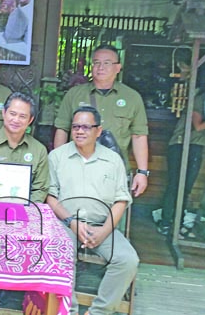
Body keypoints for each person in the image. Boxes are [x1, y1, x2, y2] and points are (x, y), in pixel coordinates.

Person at [47, 106, 138, 315]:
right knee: (60, 252)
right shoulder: (57, 156)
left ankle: (99, 312)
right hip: (66, 224)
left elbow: (121, 201)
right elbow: (50, 197)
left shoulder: (113, 160)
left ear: (98, 131)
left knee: (127, 259)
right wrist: (71, 221)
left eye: (87, 127)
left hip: (102, 227)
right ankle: (69, 310)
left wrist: (105, 231)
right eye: (76, 126)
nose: (80, 131)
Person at [0, 92, 49, 315]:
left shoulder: (38, 150)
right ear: (3, 113)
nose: (16, 119)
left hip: (25, 214)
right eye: (12, 113)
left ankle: (12, 290)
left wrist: (23, 213)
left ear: (30, 120)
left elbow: (41, 188)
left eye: (22, 116)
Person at [54, 44, 150, 197]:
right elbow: (62, 129)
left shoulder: (132, 97)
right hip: (77, 169)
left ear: (118, 67)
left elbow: (139, 135)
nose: (101, 67)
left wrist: (142, 172)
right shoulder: (75, 94)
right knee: (76, 216)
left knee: (113, 217)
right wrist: (57, 165)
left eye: (107, 63)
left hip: (114, 172)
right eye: (96, 62)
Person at [157, 90, 205, 237]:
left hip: (197, 146)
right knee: (175, 186)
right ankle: (166, 223)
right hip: (181, 144)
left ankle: (178, 224)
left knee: (186, 188)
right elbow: (198, 126)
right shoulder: (201, 98)